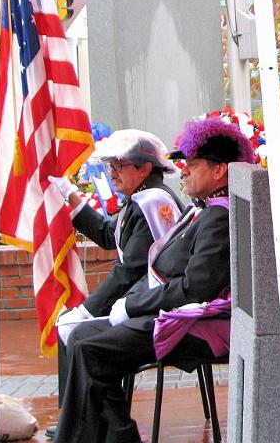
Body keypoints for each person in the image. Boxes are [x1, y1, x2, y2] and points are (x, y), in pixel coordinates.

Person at [53, 117, 256, 443]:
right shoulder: (205, 210)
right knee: (82, 338)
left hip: (203, 323)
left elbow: (195, 288)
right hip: (176, 311)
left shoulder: (219, 216)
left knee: (90, 348)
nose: (184, 171)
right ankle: (116, 435)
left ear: (219, 171)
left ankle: (98, 436)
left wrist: (132, 305)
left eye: (192, 164)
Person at [47, 130, 184, 418]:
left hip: (150, 304)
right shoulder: (140, 197)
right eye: (110, 166)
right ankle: (78, 418)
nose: (112, 172)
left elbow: (129, 270)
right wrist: (71, 194)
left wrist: (87, 309)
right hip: (139, 298)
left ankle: (86, 421)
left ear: (145, 168)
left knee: (79, 336)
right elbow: (111, 236)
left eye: (119, 165)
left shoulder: (152, 202)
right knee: (70, 329)